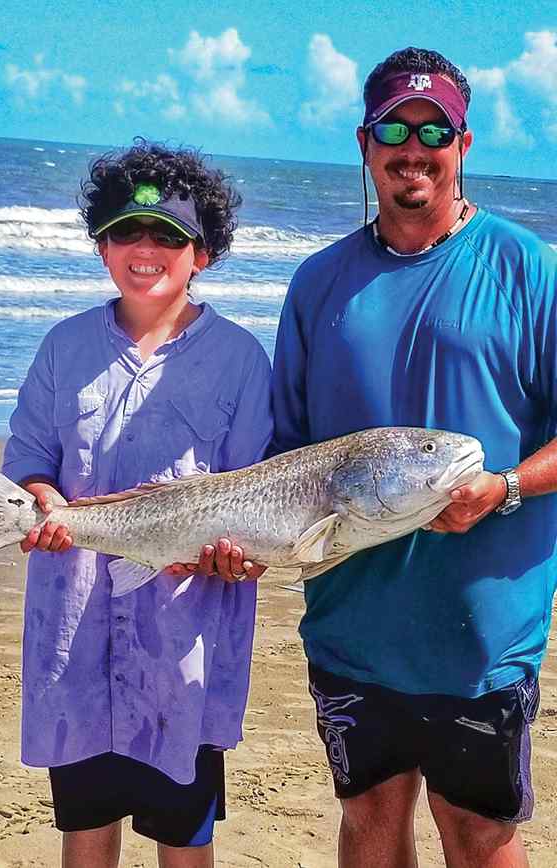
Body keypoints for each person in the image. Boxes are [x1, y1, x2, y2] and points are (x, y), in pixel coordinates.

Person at [189, 47, 557, 867]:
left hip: (481, 633)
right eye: (395, 126)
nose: (413, 145)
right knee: (369, 822)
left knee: (481, 832)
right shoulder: (319, 283)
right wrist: (238, 545)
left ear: (464, 143)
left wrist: (502, 488)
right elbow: (281, 457)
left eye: (435, 128)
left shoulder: (527, 269)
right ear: (365, 143)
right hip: (351, 626)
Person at [1, 139, 272, 868]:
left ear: (202, 253)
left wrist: (236, 560)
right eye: (126, 231)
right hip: (75, 640)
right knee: (85, 834)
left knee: (184, 838)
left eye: (168, 236)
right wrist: (41, 500)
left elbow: (258, 505)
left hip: (183, 652)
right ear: (101, 246)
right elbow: (28, 462)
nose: (144, 249)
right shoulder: (62, 350)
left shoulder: (243, 362)